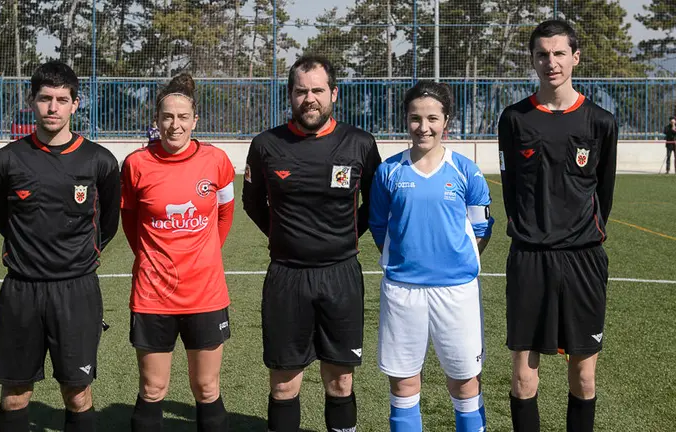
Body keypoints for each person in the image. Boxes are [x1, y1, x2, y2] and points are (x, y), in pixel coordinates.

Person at [242, 54, 382, 432]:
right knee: (285, 382)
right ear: (290, 95)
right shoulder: (267, 144)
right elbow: (251, 203)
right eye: (301, 91)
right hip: (287, 276)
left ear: (333, 94)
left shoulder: (360, 143)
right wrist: (285, 237)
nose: (310, 98)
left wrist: (344, 236)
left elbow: (376, 203)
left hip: (341, 275)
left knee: (340, 380)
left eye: (318, 90)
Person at [0, 60, 121, 432]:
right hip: (22, 290)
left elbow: (108, 222)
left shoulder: (99, 161)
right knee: (15, 392)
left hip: (76, 290)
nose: (53, 107)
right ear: (32, 100)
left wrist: (82, 255)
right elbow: (4, 221)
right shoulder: (6, 160)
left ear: (75, 104)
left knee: (77, 392)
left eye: (62, 99)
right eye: (45, 98)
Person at [498, 20, 617, 432]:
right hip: (530, 258)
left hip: (583, 259)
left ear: (575, 57)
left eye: (559, 53)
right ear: (532, 61)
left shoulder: (600, 121)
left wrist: (583, 230)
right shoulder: (514, 119)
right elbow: (510, 188)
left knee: (584, 377)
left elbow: (605, 191)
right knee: (523, 378)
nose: (552, 62)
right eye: (542, 55)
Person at [369, 81, 494, 432]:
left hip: (457, 292)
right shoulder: (388, 172)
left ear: (446, 121)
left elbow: (481, 229)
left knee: (465, 382)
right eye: (415, 118)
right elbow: (380, 227)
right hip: (402, 292)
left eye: (432, 118)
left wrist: (452, 259)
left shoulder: (466, 171)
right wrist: (408, 258)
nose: (423, 127)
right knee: (404, 384)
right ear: (405, 120)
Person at [121, 73, 235, 432]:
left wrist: (206, 255)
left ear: (195, 121)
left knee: (206, 387)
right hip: (154, 294)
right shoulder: (136, 164)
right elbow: (129, 221)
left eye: (183, 117)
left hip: (205, 292)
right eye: (167, 117)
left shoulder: (216, 161)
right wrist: (153, 259)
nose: (175, 125)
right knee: (153, 389)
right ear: (156, 121)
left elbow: (225, 213)